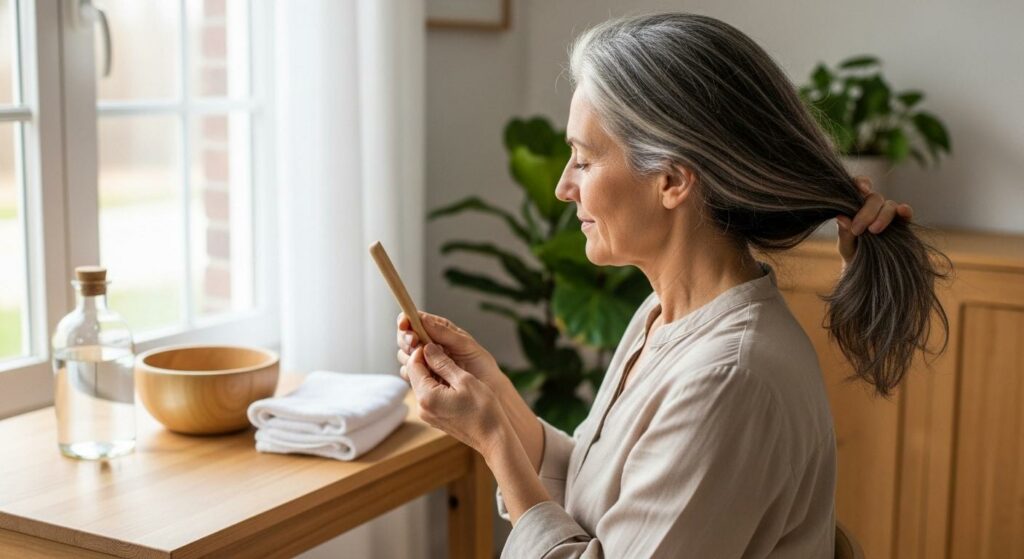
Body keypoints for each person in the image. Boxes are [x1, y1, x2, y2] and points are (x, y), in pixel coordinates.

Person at [397, 13, 948, 558]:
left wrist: (495, 440)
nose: (565, 186)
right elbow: (598, 492)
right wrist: (493, 395)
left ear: (672, 181)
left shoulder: (729, 379)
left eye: (584, 160)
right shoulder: (662, 315)